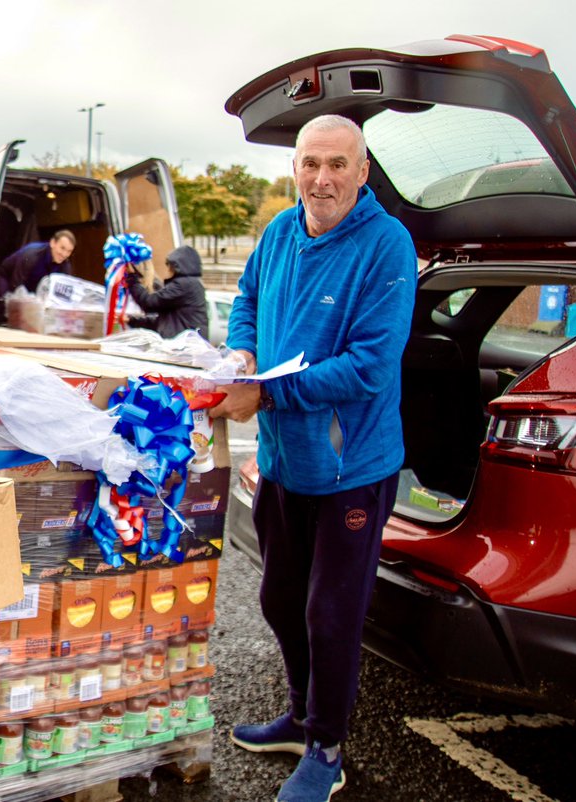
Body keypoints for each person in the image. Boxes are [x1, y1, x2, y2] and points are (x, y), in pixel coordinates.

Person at [212, 115, 416, 802]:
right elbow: (245, 303)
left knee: (331, 614)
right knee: (277, 597)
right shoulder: (277, 232)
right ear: (294, 169)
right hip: (283, 462)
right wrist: (242, 354)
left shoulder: (387, 245)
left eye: (337, 165)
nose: (322, 179)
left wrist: (265, 399)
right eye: (309, 164)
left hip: (350, 468)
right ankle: (302, 717)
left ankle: (327, 749)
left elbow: (367, 367)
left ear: (362, 173)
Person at [123, 244, 209, 340]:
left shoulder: (183, 285)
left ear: (178, 267)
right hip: (187, 345)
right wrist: (132, 320)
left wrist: (132, 278)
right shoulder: (191, 284)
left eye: (170, 266)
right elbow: (163, 322)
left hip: (184, 347)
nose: (168, 270)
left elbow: (149, 303)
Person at [0, 229, 75, 325]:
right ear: (52, 243)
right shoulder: (32, 254)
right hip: (9, 277)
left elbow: (62, 296)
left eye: (69, 251)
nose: (64, 254)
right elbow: (15, 284)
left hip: (32, 285)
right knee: (7, 307)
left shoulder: (65, 265)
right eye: (62, 248)